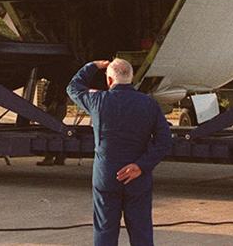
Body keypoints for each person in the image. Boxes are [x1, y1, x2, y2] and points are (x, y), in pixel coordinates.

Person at [67, 58, 173, 246]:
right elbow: (164, 141)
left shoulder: (98, 100)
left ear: (109, 81)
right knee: (141, 232)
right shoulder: (148, 104)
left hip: (106, 176)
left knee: (105, 231)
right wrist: (141, 166)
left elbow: (73, 88)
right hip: (137, 178)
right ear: (131, 79)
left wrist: (93, 66)